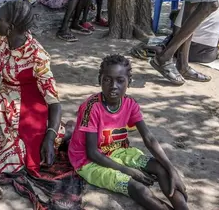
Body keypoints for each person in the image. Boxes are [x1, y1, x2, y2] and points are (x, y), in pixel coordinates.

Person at [68, 55, 188, 210]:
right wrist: (128, 171)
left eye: (120, 80)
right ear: (100, 80)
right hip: (88, 161)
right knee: (139, 189)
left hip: (118, 150)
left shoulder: (129, 103)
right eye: (107, 80)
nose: (113, 86)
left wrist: (172, 169)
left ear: (129, 82)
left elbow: (149, 138)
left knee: (162, 169)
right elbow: (92, 153)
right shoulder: (91, 107)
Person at [0, 1, 66, 176]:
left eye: (0, 19)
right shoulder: (2, 39)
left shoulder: (37, 55)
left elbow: (54, 101)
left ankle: (59, 132)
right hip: (5, 96)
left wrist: (49, 138)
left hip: (30, 104)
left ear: (10, 26)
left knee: (18, 159)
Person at [133, 0, 219, 65]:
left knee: (173, 38)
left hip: (182, 52)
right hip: (208, 56)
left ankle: (161, 49)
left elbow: (177, 31)